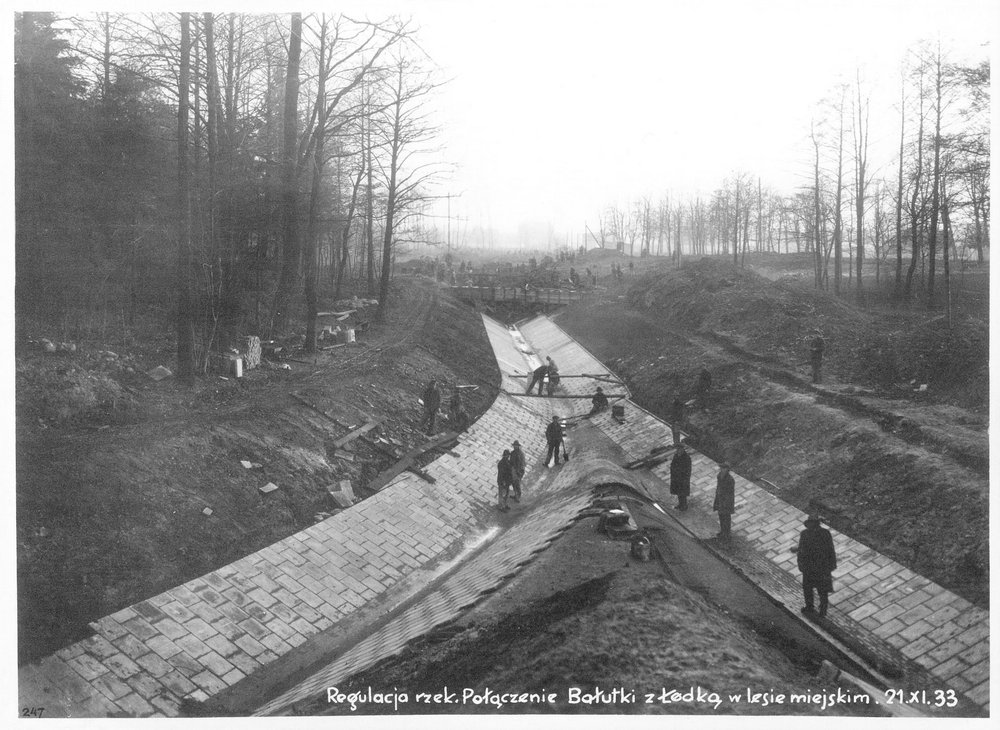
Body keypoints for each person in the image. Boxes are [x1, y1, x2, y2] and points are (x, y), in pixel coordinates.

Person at [797, 515, 837, 616]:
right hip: (813, 567)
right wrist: (801, 564)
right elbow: (801, 550)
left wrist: (831, 565)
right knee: (810, 588)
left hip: (819, 566)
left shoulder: (821, 533)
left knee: (820, 589)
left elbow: (830, 550)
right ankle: (812, 607)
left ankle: (821, 609)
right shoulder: (808, 533)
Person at [712, 462, 735, 541]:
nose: (722, 470)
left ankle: (727, 534)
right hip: (720, 499)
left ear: (727, 469)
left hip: (726, 501)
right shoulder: (719, 476)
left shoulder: (730, 479)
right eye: (721, 468)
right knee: (721, 516)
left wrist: (725, 501)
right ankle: (723, 531)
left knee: (726, 517)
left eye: (723, 468)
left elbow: (729, 492)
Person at [669, 444, 692, 510]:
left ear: (682, 449)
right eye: (677, 449)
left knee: (682, 493)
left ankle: (684, 506)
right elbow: (673, 464)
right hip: (676, 478)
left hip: (682, 479)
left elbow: (687, 470)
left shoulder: (687, 458)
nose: (678, 450)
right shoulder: (676, 455)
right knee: (678, 493)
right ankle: (680, 504)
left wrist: (683, 477)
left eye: (679, 449)